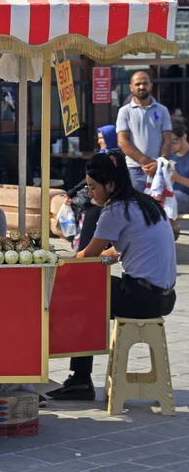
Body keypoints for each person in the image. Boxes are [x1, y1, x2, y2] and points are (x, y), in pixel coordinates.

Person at [46, 151, 176, 401]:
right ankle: (80, 378)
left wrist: (58, 264)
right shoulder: (145, 204)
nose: (90, 192)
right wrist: (101, 263)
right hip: (164, 298)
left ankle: (80, 380)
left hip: (142, 296)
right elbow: (114, 253)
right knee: (90, 289)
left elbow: (88, 257)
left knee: (82, 293)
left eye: (93, 187)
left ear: (111, 185)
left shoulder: (116, 211)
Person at [65, 125, 120, 251]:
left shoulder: (114, 158)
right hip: (97, 200)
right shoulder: (103, 155)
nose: (99, 141)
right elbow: (89, 178)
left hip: (104, 202)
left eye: (102, 138)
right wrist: (72, 192)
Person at [116, 71, 173, 192]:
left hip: (159, 170)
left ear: (150, 86)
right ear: (131, 88)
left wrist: (159, 163)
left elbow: (168, 139)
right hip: (136, 170)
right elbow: (122, 142)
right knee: (137, 207)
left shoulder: (163, 110)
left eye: (145, 83)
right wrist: (146, 162)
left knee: (160, 208)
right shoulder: (124, 111)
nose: (142, 86)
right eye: (138, 84)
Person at [169, 120, 189, 215]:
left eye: (174, 141)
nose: (171, 145)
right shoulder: (170, 157)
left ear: (184, 137)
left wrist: (177, 178)